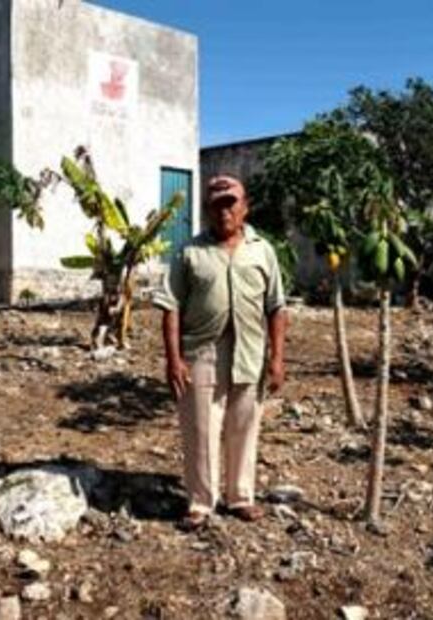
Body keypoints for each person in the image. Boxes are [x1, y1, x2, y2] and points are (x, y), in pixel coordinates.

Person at [154, 174, 288, 531]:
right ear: (207, 210)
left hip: (250, 351)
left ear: (245, 207)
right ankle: (200, 502)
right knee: (200, 428)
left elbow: (276, 306)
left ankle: (240, 497)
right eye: (216, 205)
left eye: (230, 203)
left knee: (244, 426)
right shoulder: (190, 252)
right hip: (202, 352)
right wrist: (173, 359)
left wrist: (277, 358)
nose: (224, 211)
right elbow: (170, 306)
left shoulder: (263, 250)